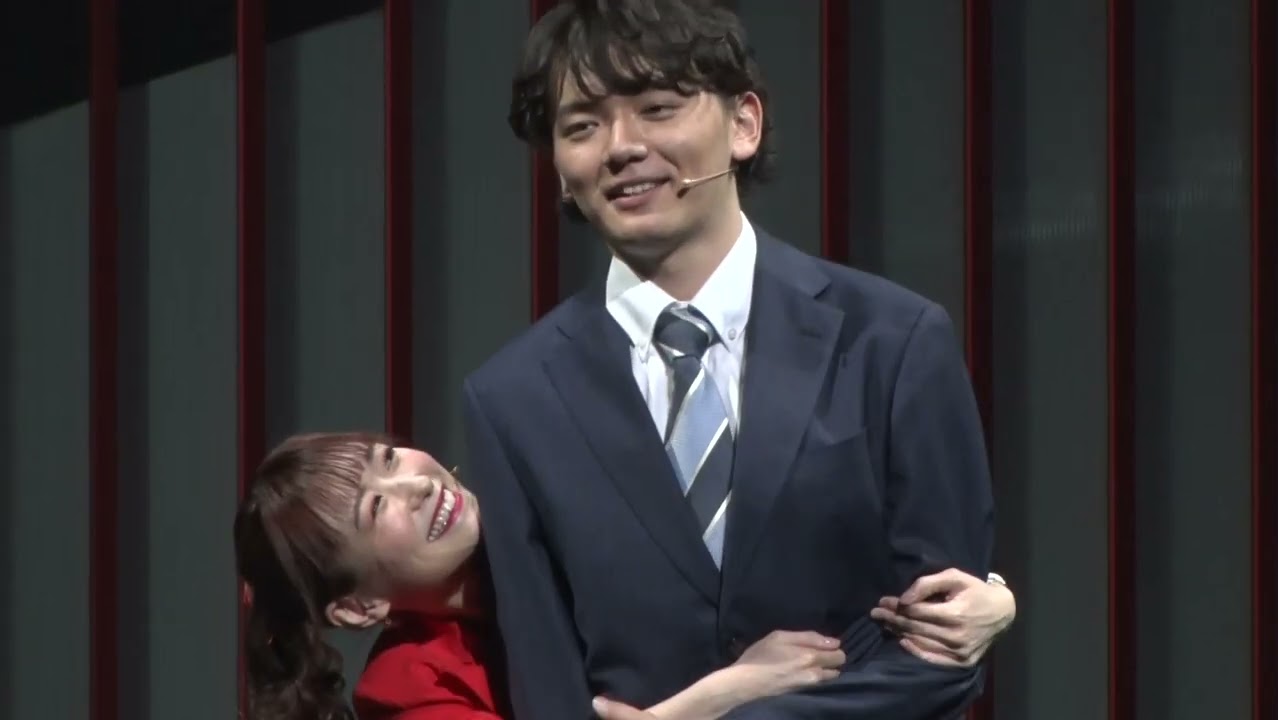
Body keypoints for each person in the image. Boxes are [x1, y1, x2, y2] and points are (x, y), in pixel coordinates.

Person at [460, 1, 1008, 719]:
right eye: (582, 126)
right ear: (562, 171)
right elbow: (547, 685)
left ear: (744, 124)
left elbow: (944, 654)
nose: (621, 146)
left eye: (657, 108)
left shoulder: (892, 340)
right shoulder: (514, 401)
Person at [233, 432, 1014, 720]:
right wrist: (732, 690)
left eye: (389, 457)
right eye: (377, 507)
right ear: (358, 606)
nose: (416, 483)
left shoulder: (557, 496)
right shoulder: (408, 688)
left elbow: (804, 549)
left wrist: (993, 596)